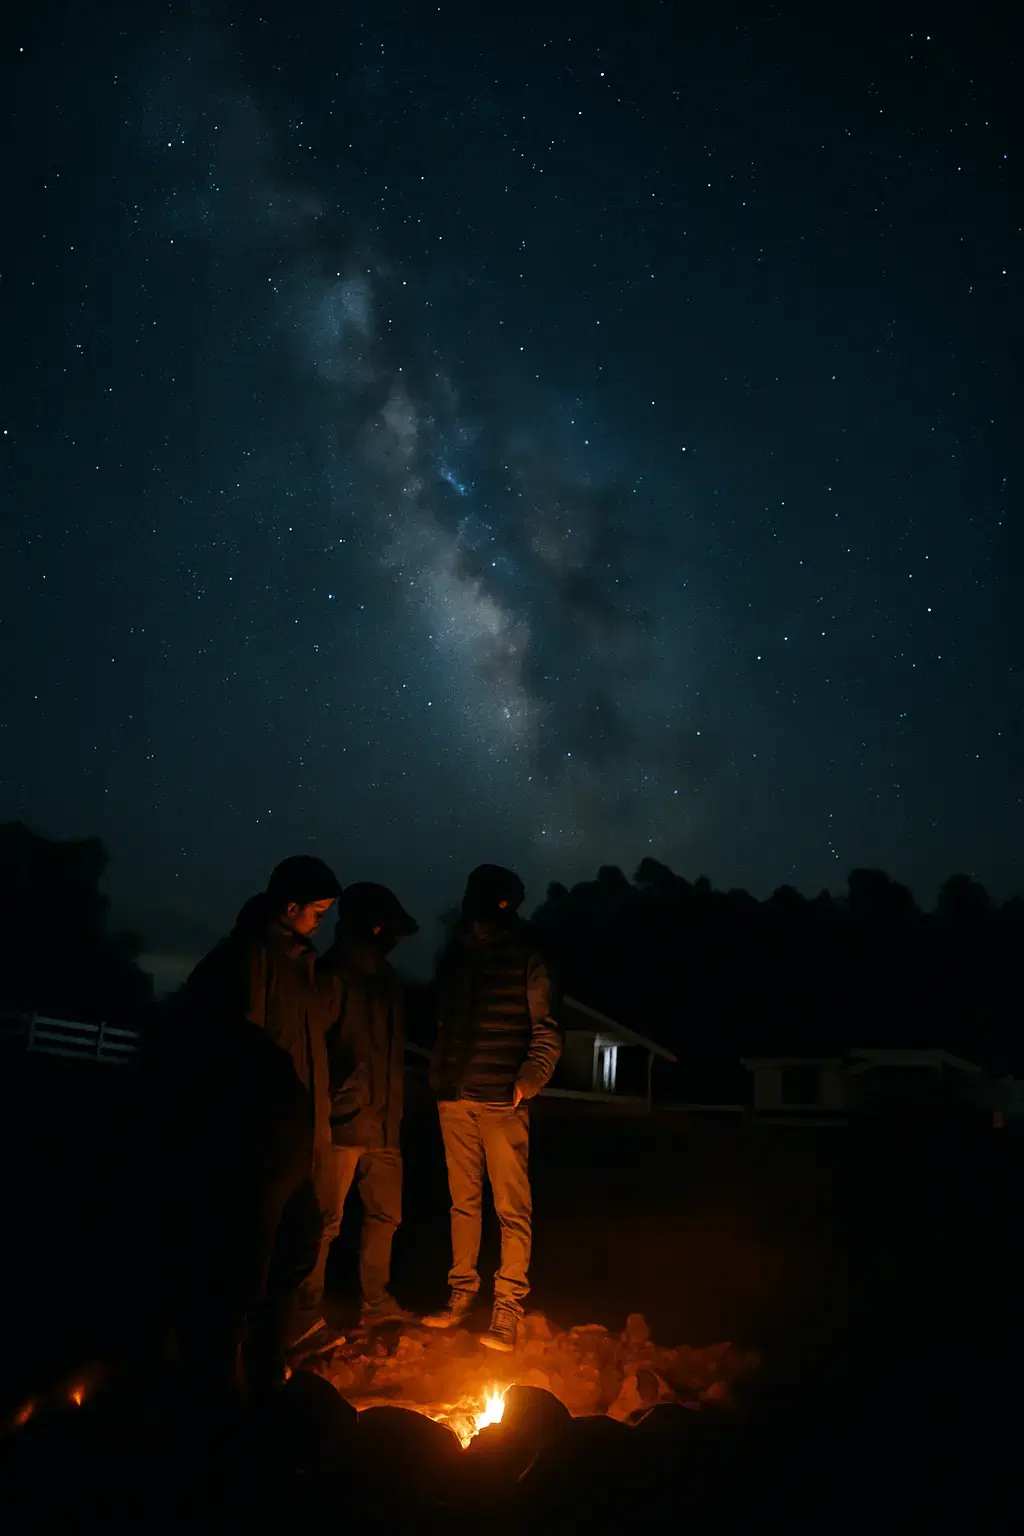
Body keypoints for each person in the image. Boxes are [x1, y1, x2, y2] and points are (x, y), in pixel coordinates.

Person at [160, 855, 342, 1402]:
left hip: (294, 1147)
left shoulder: (299, 965)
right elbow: (240, 1053)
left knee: (294, 1252)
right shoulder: (248, 958)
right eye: (317, 911)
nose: (321, 922)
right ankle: (212, 1392)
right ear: (290, 908)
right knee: (241, 1271)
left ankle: (265, 1372)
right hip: (257, 1147)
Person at [423, 864, 561, 1352]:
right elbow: (444, 1021)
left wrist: (526, 1083)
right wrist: (441, 1076)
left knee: (511, 1207)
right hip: (454, 1098)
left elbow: (547, 1031)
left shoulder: (526, 956)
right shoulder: (456, 955)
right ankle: (461, 1296)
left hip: (502, 1101)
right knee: (463, 1203)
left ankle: (507, 1310)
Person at [293, 882, 419, 1349]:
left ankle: (378, 1302)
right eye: (384, 928)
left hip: (384, 1123)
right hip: (342, 1123)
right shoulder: (331, 977)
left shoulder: (387, 982)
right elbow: (314, 1050)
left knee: (385, 1215)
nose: (389, 938)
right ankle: (305, 1312)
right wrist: (326, 1108)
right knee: (325, 1221)